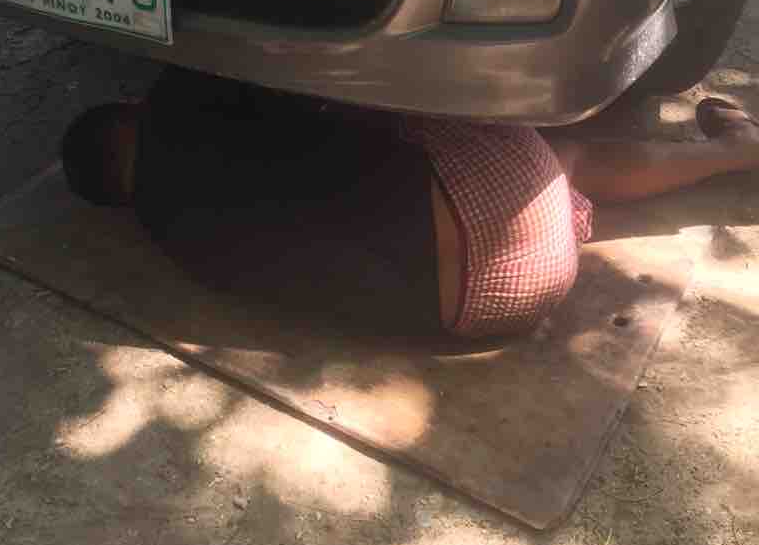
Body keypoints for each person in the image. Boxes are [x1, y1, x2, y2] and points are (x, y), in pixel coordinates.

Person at [61, 69, 759, 340]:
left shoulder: (172, 240)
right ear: (128, 110)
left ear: (119, 200)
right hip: (503, 210)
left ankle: (567, 208)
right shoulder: (178, 99)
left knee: (544, 182)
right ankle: (736, 151)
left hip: (499, 305)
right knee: (556, 153)